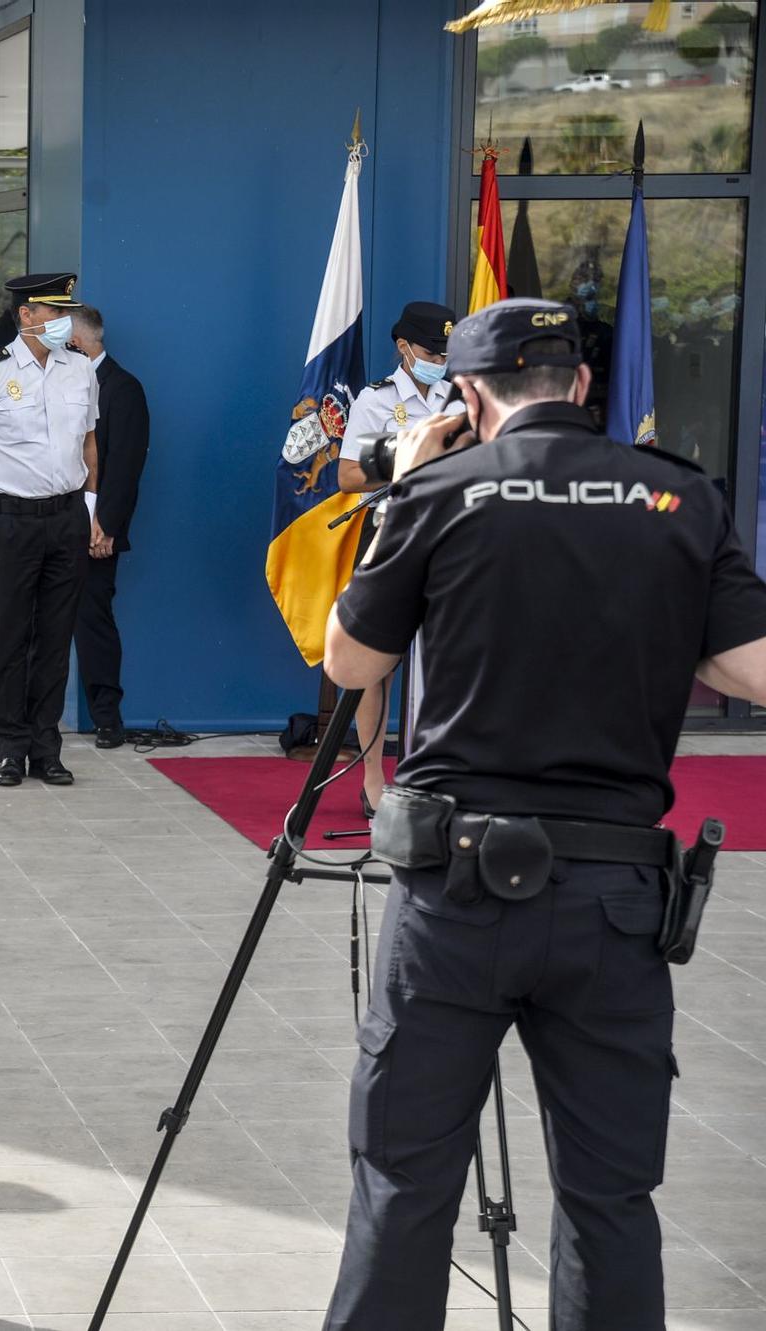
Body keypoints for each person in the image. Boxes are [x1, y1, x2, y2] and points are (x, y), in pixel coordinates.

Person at [321, 298, 766, 1330]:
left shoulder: (437, 492)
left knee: (404, 1181)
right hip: (613, 902)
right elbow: (750, 666)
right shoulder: (679, 498)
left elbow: (350, 662)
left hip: (455, 895)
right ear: (576, 388)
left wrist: (399, 490)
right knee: (609, 1196)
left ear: (467, 396)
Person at [0, 273, 103, 788]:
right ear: (27, 316)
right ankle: (10, 748)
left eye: (67, 312)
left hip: (66, 518)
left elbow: (89, 444)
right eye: (54, 312)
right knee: (10, 637)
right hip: (11, 520)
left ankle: (47, 747)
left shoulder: (81, 369)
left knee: (56, 639)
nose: (64, 321)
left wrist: (91, 508)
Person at [336, 300, 461, 814]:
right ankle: (371, 776)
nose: (440, 361)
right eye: (431, 351)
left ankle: (436, 774)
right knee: (376, 666)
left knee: (449, 661)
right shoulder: (377, 399)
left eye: (446, 353)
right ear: (404, 349)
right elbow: (347, 475)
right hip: (392, 535)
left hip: (453, 537)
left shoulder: (463, 399)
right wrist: (412, 458)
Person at [68, 304, 150, 749]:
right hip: (53, 520)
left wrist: (106, 524)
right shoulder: (61, 385)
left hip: (97, 530)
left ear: (78, 341)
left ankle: (106, 715)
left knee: (93, 618)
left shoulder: (122, 389)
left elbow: (125, 466)